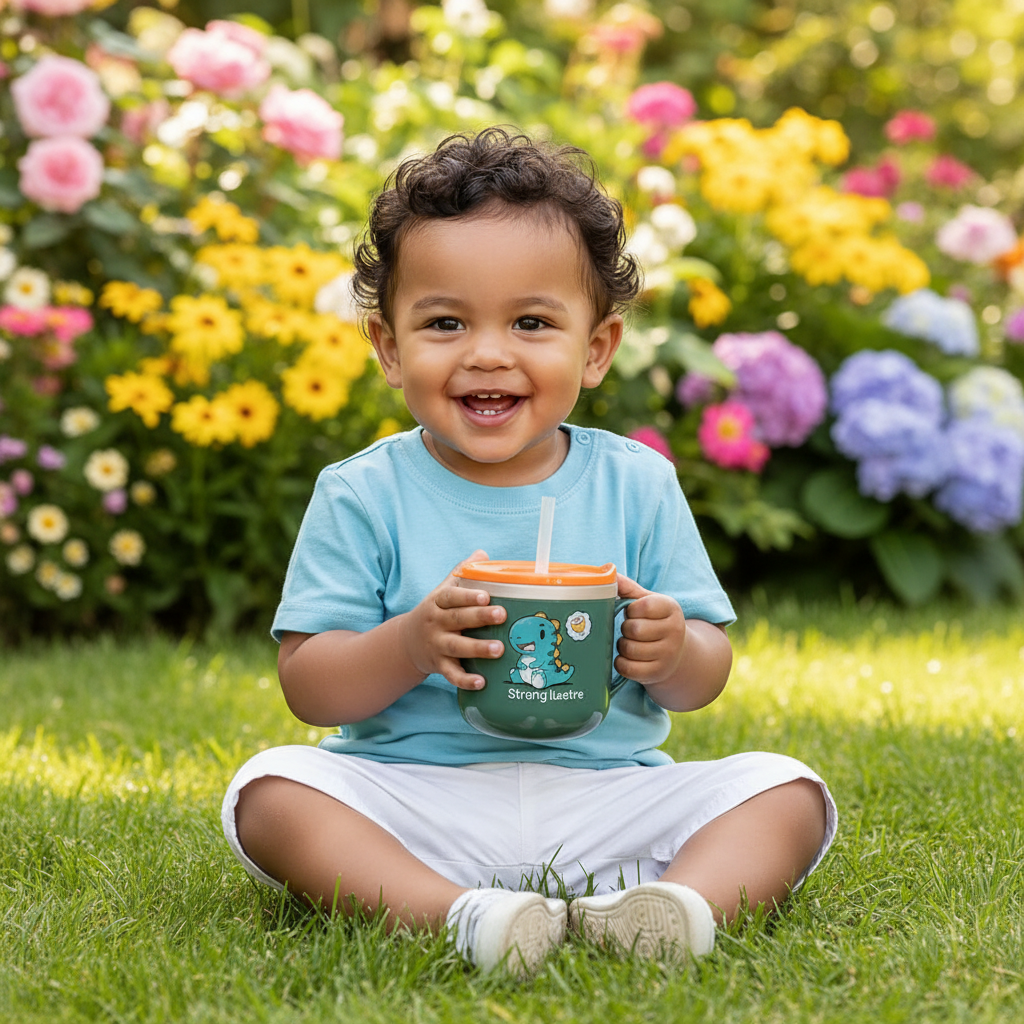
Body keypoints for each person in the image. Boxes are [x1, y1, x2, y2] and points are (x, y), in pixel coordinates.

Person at [221, 127, 837, 977]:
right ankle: (459, 916)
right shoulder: (362, 493)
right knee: (271, 792)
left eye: (532, 322)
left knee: (786, 791)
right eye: (444, 321)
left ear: (595, 349)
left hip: (605, 793)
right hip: (415, 800)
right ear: (390, 349)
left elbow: (705, 676)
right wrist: (409, 643)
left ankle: (673, 910)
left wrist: (672, 646)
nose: (487, 352)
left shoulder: (637, 484)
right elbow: (307, 684)